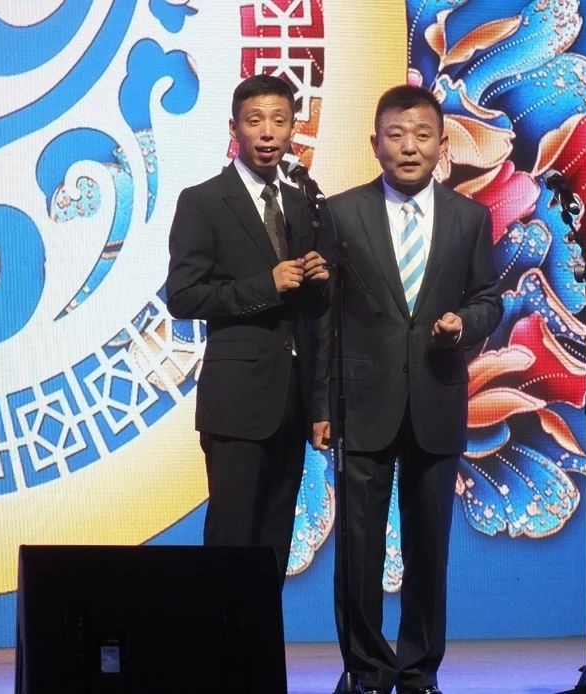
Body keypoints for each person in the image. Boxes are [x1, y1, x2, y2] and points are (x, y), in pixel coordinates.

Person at [322, 85, 503, 694]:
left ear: (442, 145)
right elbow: (323, 320)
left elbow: (488, 299)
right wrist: (321, 405)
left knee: (429, 548)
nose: (408, 147)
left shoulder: (469, 218)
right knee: (359, 550)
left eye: (422, 135)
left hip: (436, 398)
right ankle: (365, 669)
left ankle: (418, 670)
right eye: (396, 135)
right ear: (374, 144)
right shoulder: (340, 215)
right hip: (361, 404)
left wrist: (464, 325)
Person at [165, 74, 332, 580]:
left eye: (279, 121)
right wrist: (266, 285)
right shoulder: (204, 201)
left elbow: (310, 317)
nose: (267, 132)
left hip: (292, 403)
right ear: (233, 128)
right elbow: (184, 296)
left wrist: (319, 279)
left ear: (292, 129)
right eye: (255, 120)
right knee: (231, 539)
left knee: (274, 544)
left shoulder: (303, 202)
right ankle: (218, 634)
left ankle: (259, 633)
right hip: (236, 402)